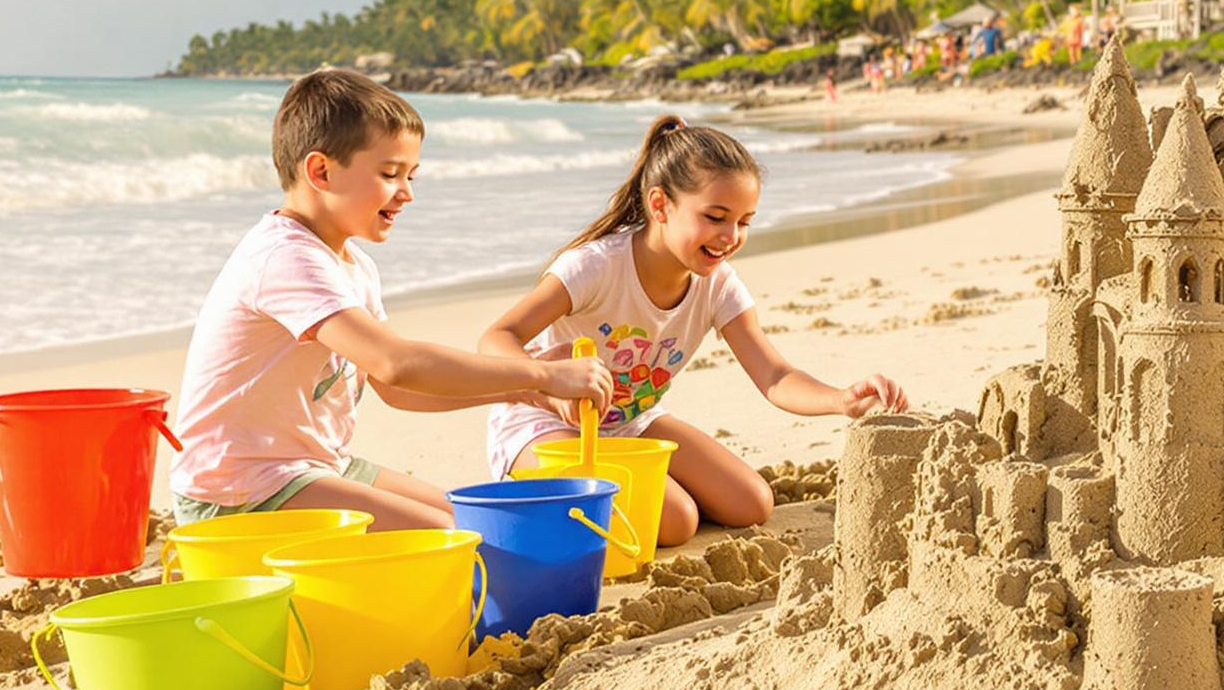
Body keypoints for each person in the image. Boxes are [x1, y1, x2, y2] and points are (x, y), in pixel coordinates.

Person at [170, 69, 611, 529]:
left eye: (411, 175)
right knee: (451, 537)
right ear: (320, 171)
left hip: (312, 469)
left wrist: (524, 389)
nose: (407, 193)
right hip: (238, 492)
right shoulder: (285, 257)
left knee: (476, 518)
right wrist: (540, 372)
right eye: (390, 174)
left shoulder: (352, 264)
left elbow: (395, 389)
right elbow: (396, 363)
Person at [481, 115, 908, 545]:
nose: (731, 236)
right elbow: (497, 338)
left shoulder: (718, 285)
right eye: (715, 217)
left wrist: (841, 399)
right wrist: (549, 385)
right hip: (542, 424)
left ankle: (604, 493)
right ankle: (535, 492)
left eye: (744, 221)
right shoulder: (594, 267)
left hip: (630, 423)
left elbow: (775, 376)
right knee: (676, 520)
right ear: (660, 206)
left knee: (751, 503)